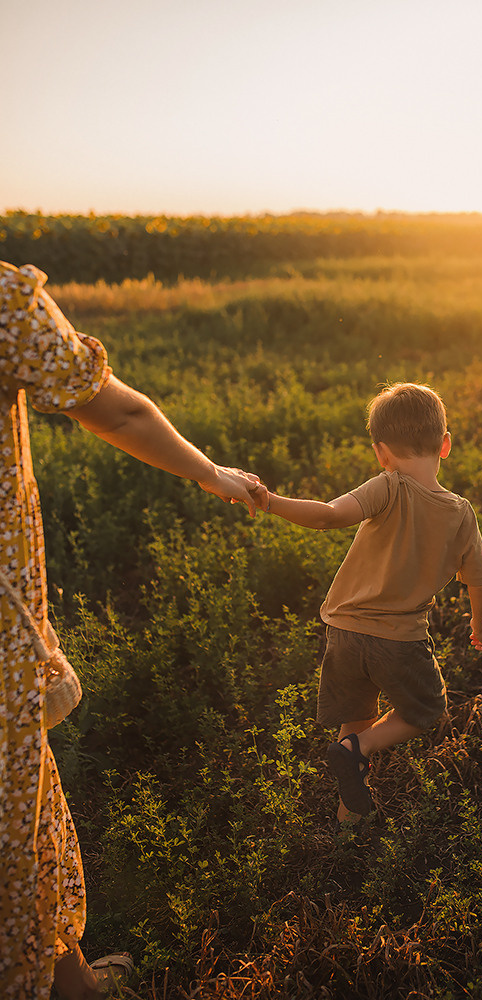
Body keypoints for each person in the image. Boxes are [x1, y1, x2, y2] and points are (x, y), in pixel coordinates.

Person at [0, 261, 264, 1000]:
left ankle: (68, 976)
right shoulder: (2, 303)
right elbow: (116, 411)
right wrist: (212, 472)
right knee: (12, 813)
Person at [258, 382, 482, 828]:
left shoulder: (386, 487)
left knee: (356, 717)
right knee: (425, 711)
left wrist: (269, 501)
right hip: (398, 641)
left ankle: (349, 820)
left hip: (344, 633)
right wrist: (481, 626)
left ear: (381, 453)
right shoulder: (460, 513)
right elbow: (481, 580)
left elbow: (328, 515)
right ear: (445, 445)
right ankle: (358, 752)